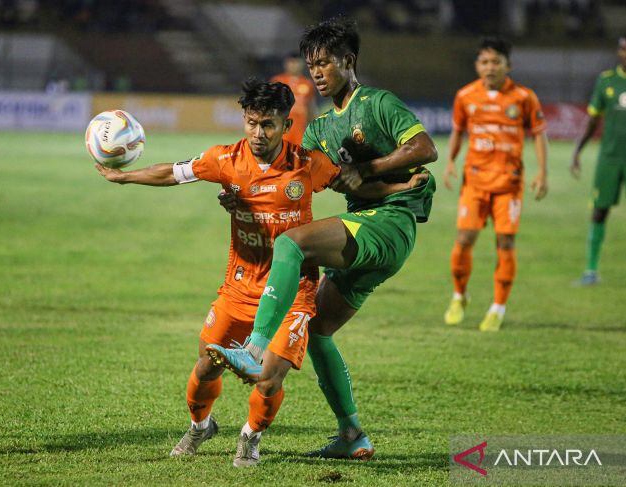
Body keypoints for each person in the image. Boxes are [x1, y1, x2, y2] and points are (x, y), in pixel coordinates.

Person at [95, 78, 424, 467]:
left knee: (269, 378)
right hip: (240, 285)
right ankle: (201, 426)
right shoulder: (225, 159)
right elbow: (174, 172)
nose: (258, 132)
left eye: (267, 124)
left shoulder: (307, 165)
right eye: (251, 122)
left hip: (295, 291)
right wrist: (124, 176)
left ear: (286, 125)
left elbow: (351, 186)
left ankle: (250, 438)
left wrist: (398, 188)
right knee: (205, 365)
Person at [207, 16, 438, 460]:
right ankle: (352, 434)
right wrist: (240, 198)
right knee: (315, 329)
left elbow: (425, 148)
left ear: (348, 61)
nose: (316, 71)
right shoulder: (315, 132)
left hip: (390, 223)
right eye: (312, 64)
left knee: (292, 243)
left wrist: (370, 171)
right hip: (365, 228)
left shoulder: (376, 103)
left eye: (324, 62)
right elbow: (320, 181)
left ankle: (255, 347)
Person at [442, 37, 549, 332]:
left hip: (508, 184)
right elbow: (458, 131)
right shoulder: (465, 96)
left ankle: (498, 307)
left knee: (505, 242)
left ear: (508, 66)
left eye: (496, 62)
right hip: (475, 181)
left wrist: (542, 172)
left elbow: (539, 134)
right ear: (477, 65)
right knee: (464, 239)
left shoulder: (524, 97)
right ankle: (459, 296)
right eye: (485, 62)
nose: (490, 67)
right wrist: (450, 161)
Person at [571, 33, 626, 288]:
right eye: (624, 49)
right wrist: (578, 150)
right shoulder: (606, 81)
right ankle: (591, 271)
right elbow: (593, 120)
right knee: (598, 211)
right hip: (608, 159)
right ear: (618, 52)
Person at [270, 52, 318, 145]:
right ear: (286, 64)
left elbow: (311, 108)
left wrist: (314, 128)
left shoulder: (307, 84)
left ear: (302, 64)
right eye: (291, 62)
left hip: (300, 130)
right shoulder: (277, 81)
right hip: (281, 129)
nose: (294, 65)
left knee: (298, 157)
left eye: (296, 62)